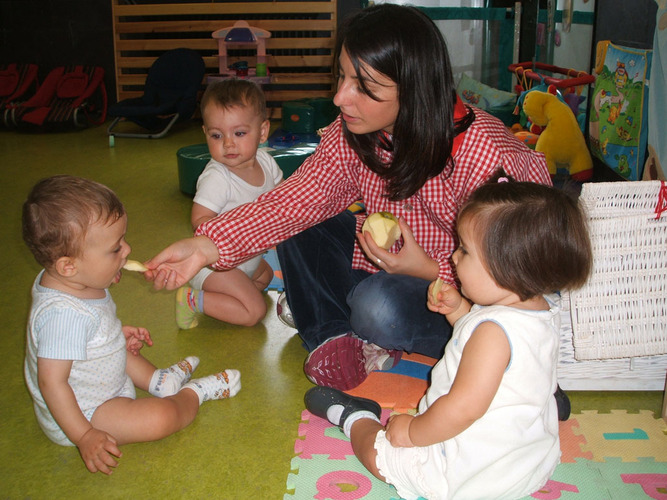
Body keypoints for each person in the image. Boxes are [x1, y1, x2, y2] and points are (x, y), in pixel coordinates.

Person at [143, 4, 551, 392]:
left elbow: (516, 279)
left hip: (461, 294)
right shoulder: (354, 132)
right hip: (388, 264)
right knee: (301, 223)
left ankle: (347, 319)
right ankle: (333, 335)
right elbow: (297, 199)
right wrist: (206, 244)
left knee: (378, 308)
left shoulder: (483, 154)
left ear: (413, 89)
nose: (340, 98)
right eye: (342, 77)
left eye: (364, 87)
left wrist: (425, 269)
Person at [304, 176, 593, 500]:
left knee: (378, 455)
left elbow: (462, 409)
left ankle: (353, 416)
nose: (453, 258)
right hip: (523, 464)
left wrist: (411, 432)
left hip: (466, 474)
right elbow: (504, 355)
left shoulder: (492, 333)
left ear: (507, 268)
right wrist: (459, 311)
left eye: (465, 251)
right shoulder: (541, 311)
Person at [22, 175, 241, 475]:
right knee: (161, 419)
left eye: (123, 240)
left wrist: (109, 337)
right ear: (68, 265)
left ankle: (161, 382)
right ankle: (193, 394)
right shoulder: (63, 316)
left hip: (99, 378)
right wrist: (84, 435)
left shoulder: (74, 280)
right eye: (115, 249)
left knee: (128, 355)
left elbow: (84, 333)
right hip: (87, 413)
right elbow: (52, 382)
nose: (126, 250)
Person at [176, 79, 283, 329]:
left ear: (263, 132)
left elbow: (282, 199)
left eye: (239, 133)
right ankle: (192, 299)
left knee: (266, 278)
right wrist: (245, 230)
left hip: (249, 260)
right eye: (216, 135)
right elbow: (199, 222)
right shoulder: (217, 177)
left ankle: (229, 298)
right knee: (253, 312)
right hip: (215, 267)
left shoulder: (266, 163)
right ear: (206, 133)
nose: (228, 143)